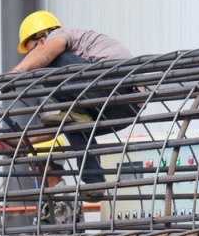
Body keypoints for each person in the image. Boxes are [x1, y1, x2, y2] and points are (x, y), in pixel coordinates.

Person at [9, 10, 134, 196]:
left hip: (115, 87)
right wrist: (23, 141)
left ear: (42, 39)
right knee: (72, 122)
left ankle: (75, 113)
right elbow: (56, 129)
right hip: (123, 107)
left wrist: (16, 73)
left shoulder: (59, 36)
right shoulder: (78, 57)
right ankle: (94, 183)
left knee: (48, 65)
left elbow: (46, 53)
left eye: (32, 50)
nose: (31, 56)